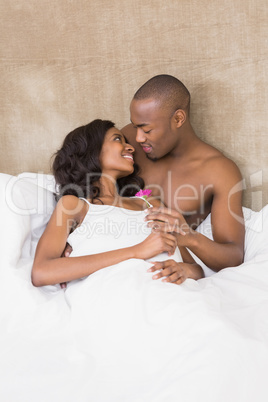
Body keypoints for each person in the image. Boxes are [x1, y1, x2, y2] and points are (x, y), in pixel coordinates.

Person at [32, 119, 203, 287]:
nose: (130, 148)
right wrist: (137, 251)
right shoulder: (74, 206)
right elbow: (42, 272)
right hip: (116, 299)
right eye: (117, 139)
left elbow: (196, 269)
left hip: (172, 297)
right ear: (92, 150)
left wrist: (182, 270)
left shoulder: (150, 204)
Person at [121, 74, 245, 272]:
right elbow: (87, 181)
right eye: (136, 126)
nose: (137, 137)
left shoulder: (218, 171)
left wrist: (190, 237)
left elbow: (233, 256)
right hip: (113, 254)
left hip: (158, 269)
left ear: (178, 119)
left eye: (147, 130)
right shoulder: (127, 140)